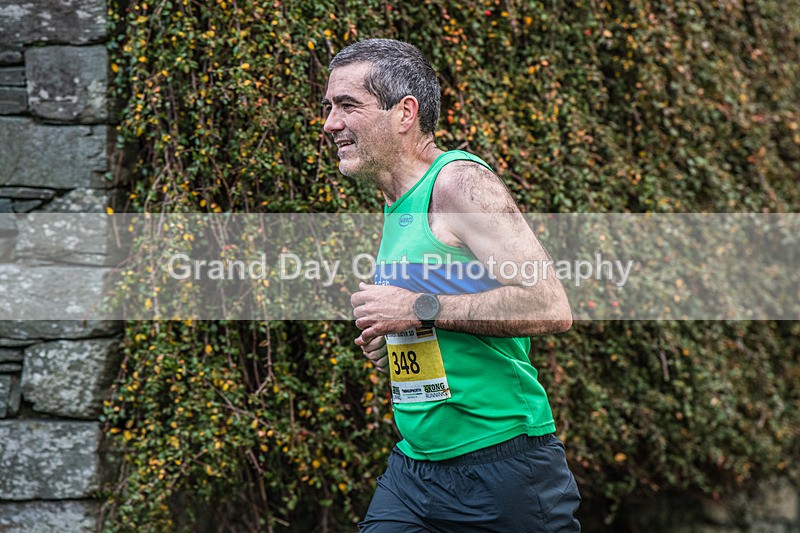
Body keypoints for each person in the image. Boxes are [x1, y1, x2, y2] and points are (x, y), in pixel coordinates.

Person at [322, 38, 580, 532]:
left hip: (503, 466)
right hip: (416, 469)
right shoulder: (399, 204)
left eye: (347, 105)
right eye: (329, 107)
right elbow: (435, 315)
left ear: (405, 113)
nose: (330, 123)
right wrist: (398, 340)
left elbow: (549, 304)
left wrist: (419, 309)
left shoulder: (458, 183)